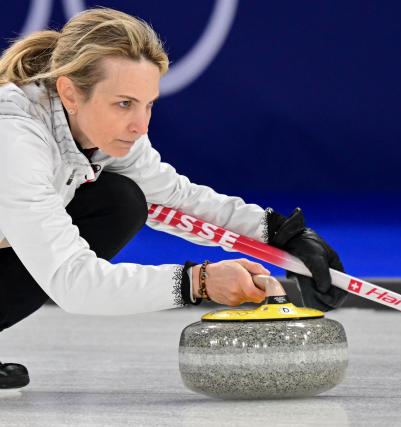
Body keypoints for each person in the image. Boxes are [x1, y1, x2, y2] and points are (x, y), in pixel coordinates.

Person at [0, 7, 347, 390]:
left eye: (148, 104)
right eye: (124, 104)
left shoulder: (101, 129)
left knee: (121, 200)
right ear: (69, 92)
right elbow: (73, 282)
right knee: (115, 204)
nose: (140, 125)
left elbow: (174, 199)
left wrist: (282, 235)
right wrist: (198, 282)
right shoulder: (14, 137)